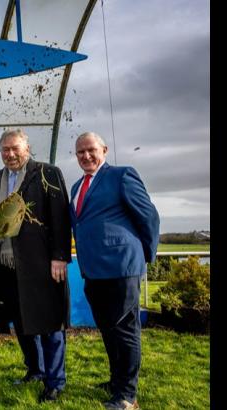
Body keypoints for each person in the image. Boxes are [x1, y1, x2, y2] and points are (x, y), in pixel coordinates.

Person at [69, 132, 159, 410]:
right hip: (93, 271)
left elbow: (149, 216)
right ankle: (116, 381)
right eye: (80, 152)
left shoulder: (122, 175)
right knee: (108, 329)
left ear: (104, 150)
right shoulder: (76, 187)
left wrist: (144, 254)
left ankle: (127, 396)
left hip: (122, 267)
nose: (86, 156)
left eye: (91, 150)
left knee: (125, 330)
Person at [0, 129, 72, 402]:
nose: (10, 155)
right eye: (5, 150)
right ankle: (35, 370)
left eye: (15, 149)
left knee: (48, 320)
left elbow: (60, 217)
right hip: (6, 263)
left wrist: (60, 256)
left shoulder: (48, 173)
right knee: (21, 320)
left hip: (42, 263)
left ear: (27, 148)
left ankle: (55, 381)